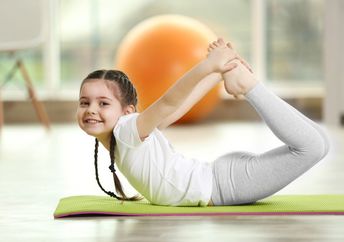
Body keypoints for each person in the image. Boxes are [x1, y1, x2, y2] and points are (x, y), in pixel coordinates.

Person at [76, 38, 329, 206]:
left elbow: (168, 103)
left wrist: (208, 67)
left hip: (223, 185)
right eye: (85, 102)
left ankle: (247, 85)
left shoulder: (125, 130)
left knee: (315, 147)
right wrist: (217, 75)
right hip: (222, 179)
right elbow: (177, 110)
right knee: (320, 144)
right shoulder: (131, 137)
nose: (91, 110)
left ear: (128, 112)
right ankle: (236, 78)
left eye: (103, 103)